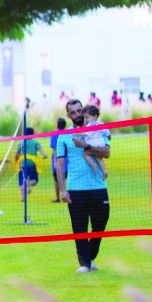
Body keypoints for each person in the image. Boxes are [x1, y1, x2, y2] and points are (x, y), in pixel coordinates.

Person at [55, 99, 111, 273]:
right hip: (76, 189)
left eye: (80, 111)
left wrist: (86, 145)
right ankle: (85, 264)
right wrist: (63, 190)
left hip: (98, 187)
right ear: (68, 115)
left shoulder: (96, 129)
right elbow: (59, 164)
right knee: (79, 228)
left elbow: (106, 153)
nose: (77, 115)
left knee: (100, 225)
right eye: (73, 112)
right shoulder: (64, 136)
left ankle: (90, 257)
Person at [15, 127, 47, 201]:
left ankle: (22, 197)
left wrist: (17, 163)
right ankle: (28, 184)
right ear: (33, 134)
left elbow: (16, 155)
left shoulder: (21, 143)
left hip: (22, 164)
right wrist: (44, 155)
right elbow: (41, 151)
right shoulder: (35, 142)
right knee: (34, 180)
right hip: (32, 164)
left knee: (21, 180)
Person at [81, 105, 109, 180]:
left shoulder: (91, 125)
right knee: (99, 158)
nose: (86, 120)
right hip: (101, 144)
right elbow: (107, 133)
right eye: (84, 118)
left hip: (94, 144)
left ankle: (93, 165)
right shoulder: (101, 124)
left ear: (95, 116)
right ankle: (104, 171)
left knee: (85, 154)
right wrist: (109, 137)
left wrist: (77, 133)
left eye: (87, 118)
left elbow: (86, 134)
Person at [50, 118, 68, 202]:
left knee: (57, 179)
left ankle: (58, 198)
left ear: (57, 124)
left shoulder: (55, 134)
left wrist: (55, 161)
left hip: (58, 159)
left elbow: (54, 149)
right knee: (67, 178)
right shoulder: (67, 133)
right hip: (67, 160)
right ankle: (67, 195)